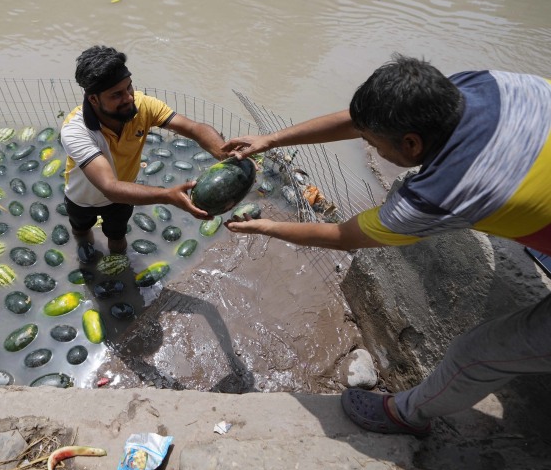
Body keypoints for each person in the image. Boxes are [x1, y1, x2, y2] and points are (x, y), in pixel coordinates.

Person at [222, 54, 551, 437]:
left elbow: (343, 237)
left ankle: (404, 416)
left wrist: (268, 227)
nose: (371, 147)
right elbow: (363, 120)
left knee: (474, 354)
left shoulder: (438, 194)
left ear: (411, 144)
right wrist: (272, 139)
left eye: (372, 143)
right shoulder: (481, 86)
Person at [60, 45, 226, 260]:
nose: (129, 98)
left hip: (123, 198)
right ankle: (84, 247)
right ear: (94, 99)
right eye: (116, 95)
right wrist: (168, 196)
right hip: (81, 198)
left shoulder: (143, 105)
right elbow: (110, 187)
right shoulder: (76, 130)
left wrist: (224, 153)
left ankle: (119, 265)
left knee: (118, 237)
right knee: (81, 230)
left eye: (129, 87)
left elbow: (193, 129)